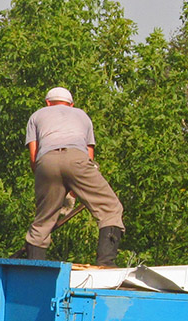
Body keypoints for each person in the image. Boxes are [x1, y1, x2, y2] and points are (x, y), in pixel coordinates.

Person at [24, 86, 125, 266]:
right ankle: (106, 263)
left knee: (43, 219)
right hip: (77, 159)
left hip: (46, 162)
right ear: (71, 104)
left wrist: (52, 192)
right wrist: (74, 191)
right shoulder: (82, 116)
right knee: (110, 208)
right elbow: (89, 157)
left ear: (48, 103)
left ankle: (35, 267)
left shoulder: (36, 116)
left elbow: (34, 157)